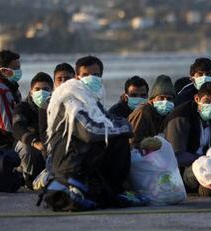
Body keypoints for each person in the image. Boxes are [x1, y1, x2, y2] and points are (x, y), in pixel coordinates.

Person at [44, 56, 144, 211]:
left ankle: (115, 189)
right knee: (119, 139)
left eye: (96, 75)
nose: (92, 79)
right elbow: (90, 132)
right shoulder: (70, 97)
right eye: (86, 75)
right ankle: (114, 190)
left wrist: (123, 126)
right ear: (77, 77)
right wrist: (125, 128)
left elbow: (108, 118)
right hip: (69, 163)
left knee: (118, 139)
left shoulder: (90, 98)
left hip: (84, 159)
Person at [164, 82, 211, 197]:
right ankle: (208, 185)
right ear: (197, 99)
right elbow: (175, 156)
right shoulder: (181, 116)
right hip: (183, 169)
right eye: (207, 102)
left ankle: (210, 185)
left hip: (208, 161)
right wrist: (203, 160)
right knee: (205, 167)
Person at [13, 72, 53, 188]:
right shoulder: (23, 107)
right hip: (28, 143)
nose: (41, 92)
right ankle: (29, 179)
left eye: (45, 89)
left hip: (49, 142)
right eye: (37, 89)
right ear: (31, 92)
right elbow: (17, 127)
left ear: (52, 91)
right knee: (26, 148)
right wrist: (34, 142)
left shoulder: (56, 107)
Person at [128, 75, 176, 149]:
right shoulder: (142, 113)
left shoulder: (169, 114)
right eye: (161, 98)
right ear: (152, 100)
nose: (165, 102)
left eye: (169, 98)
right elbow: (133, 142)